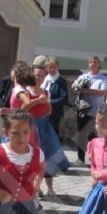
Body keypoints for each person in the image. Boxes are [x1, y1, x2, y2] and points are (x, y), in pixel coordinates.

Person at [31, 55, 69, 196]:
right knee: (32, 158)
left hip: (45, 125)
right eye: (37, 75)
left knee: (47, 156)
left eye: (41, 75)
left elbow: (50, 108)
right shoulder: (28, 90)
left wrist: (46, 106)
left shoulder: (49, 88)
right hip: (31, 127)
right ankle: (36, 186)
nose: (39, 78)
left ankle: (50, 188)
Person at [71, 55, 107, 163]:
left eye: (95, 62)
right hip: (83, 109)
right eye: (91, 62)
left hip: (95, 111)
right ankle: (80, 158)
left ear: (99, 64)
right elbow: (74, 86)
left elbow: (103, 92)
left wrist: (88, 91)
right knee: (81, 134)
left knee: (93, 135)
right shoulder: (84, 76)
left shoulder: (103, 78)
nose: (93, 64)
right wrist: (77, 86)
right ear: (88, 64)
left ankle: (94, 158)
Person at [43, 56, 69, 140]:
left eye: (54, 67)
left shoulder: (61, 81)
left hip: (54, 113)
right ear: (46, 68)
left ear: (57, 67)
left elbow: (64, 98)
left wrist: (50, 103)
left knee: (52, 135)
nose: (52, 69)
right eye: (50, 67)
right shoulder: (44, 80)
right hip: (42, 111)